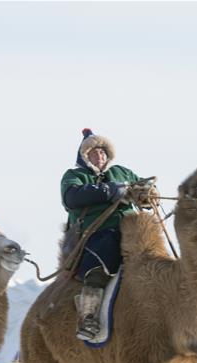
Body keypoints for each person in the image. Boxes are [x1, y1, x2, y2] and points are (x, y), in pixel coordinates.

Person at [61, 128, 156, 341]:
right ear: (84, 156)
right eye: (94, 152)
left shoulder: (122, 172)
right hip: (98, 233)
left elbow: (142, 184)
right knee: (99, 266)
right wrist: (110, 191)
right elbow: (71, 197)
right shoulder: (75, 176)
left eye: (103, 152)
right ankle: (88, 316)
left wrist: (147, 192)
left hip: (132, 229)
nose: (100, 155)